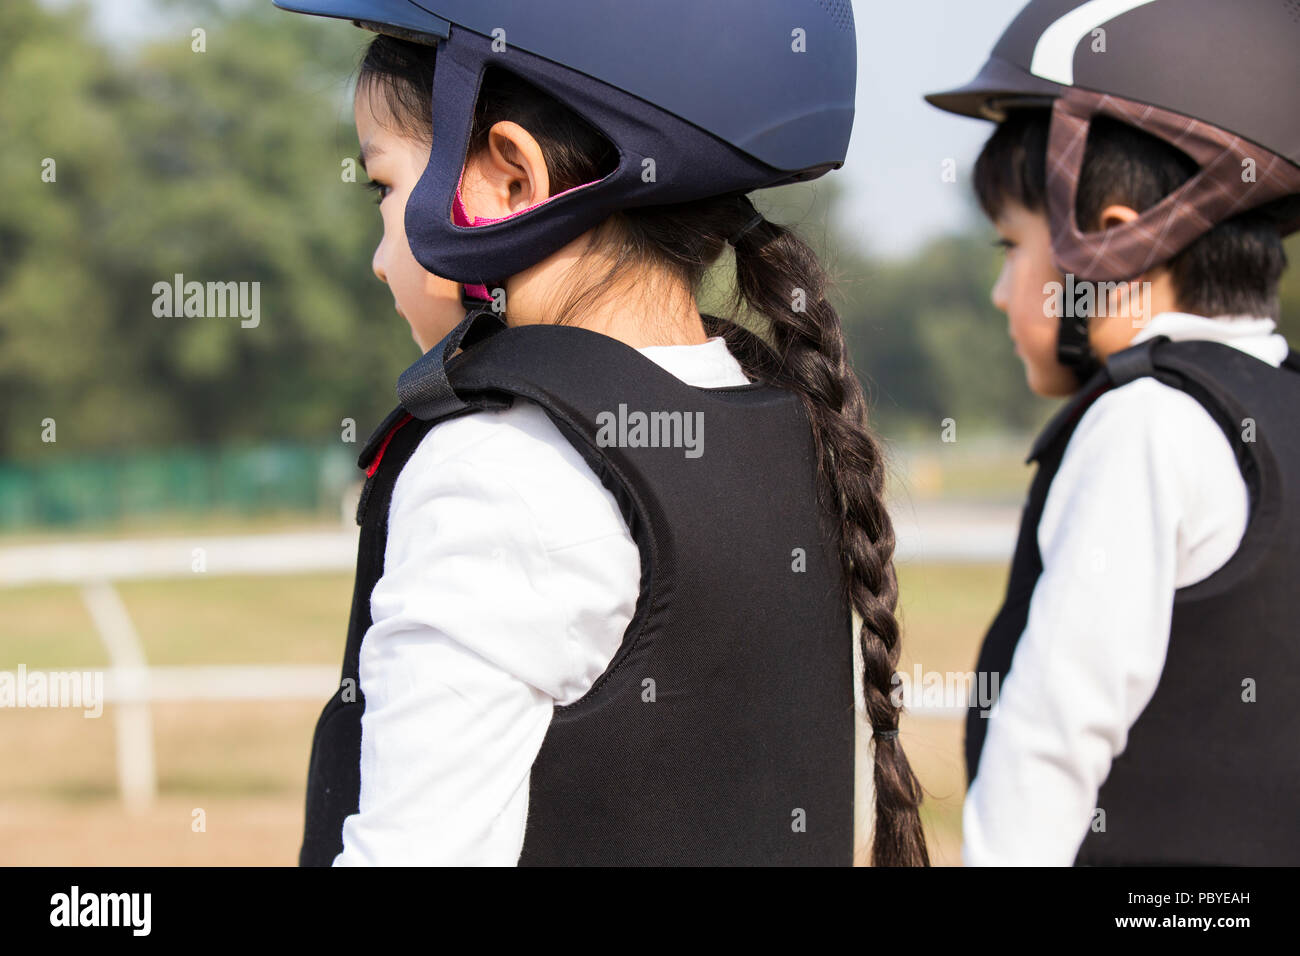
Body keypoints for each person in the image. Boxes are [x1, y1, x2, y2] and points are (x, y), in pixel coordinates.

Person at [275, 0, 929, 866]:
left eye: (384, 186)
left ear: (512, 180)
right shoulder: (783, 422)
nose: (376, 251)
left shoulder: (503, 466)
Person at [926, 0, 1300, 865]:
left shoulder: (1145, 424)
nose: (999, 292)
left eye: (1008, 249)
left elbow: (1050, 744)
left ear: (1114, 243)